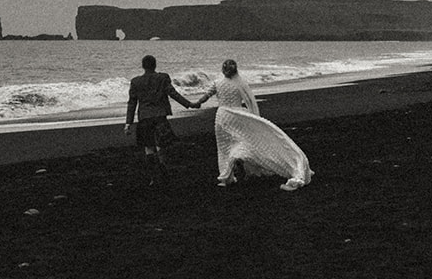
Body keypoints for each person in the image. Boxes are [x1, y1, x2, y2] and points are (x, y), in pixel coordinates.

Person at [195, 58, 312, 191]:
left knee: (224, 148)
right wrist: (255, 117)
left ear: (223, 70)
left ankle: (226, 176)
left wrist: (194, 103)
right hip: (238, 115)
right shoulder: (240, 83)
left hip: (222, 117)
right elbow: (250, 100)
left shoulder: (217, 82)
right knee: (244, 140)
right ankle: (237, 164)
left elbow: (206, 96)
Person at [124, 54, 195, 184]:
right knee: (161, 146)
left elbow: (132, 103)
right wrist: (188, 104)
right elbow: (173, 94)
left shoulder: (135, 82)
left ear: (143, 66)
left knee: (148, 148)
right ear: (155, 65)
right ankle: (163, 171)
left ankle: (153, 177)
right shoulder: (162, 78)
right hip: (159, 116)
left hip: (144, 118)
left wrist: (128, 123)